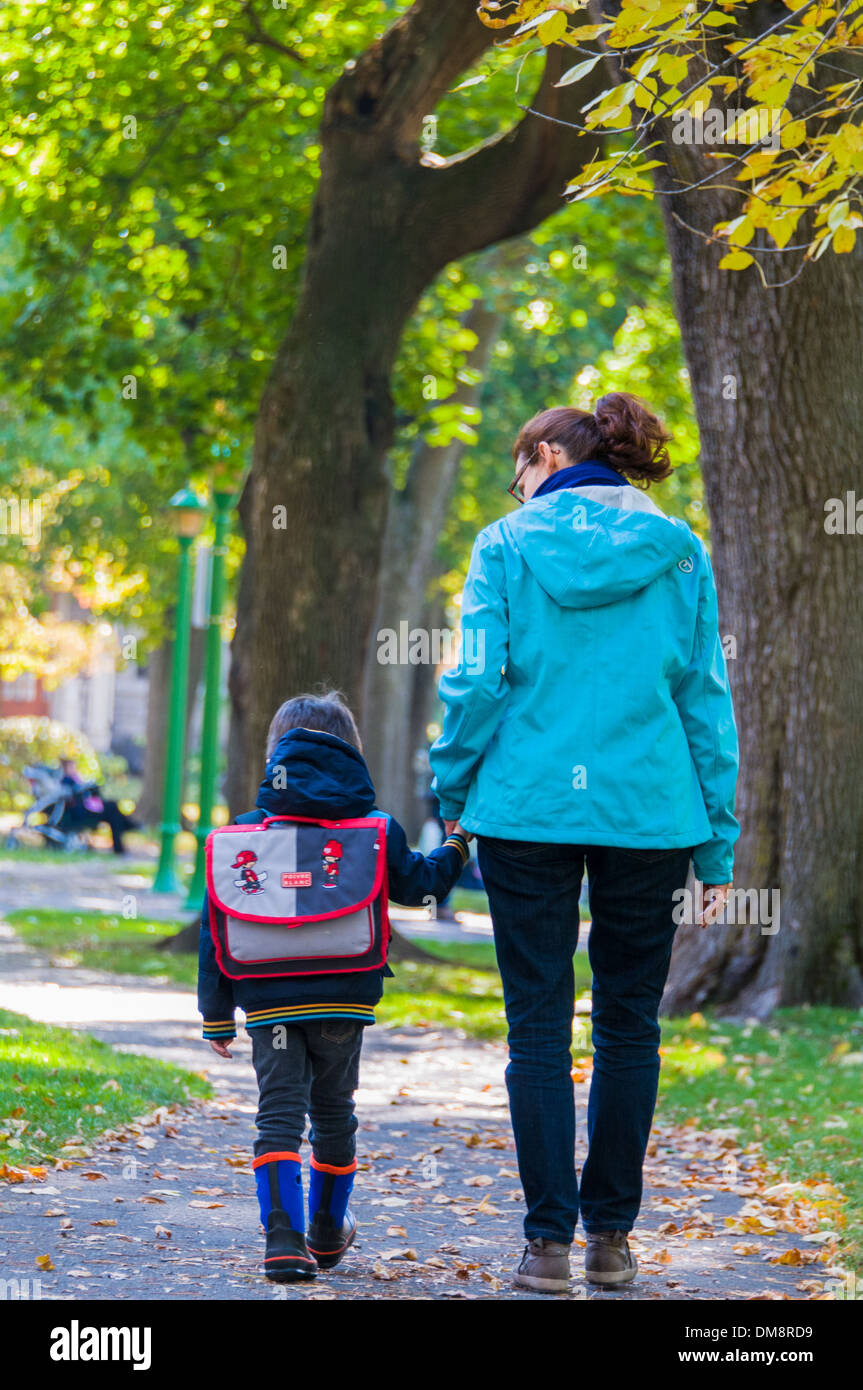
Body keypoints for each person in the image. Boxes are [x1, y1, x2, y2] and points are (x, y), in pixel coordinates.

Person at [429, 393, 739, 1293]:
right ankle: (610, 1239)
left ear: (547, 459)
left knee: (535, 1028)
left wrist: (453, 789)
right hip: (649, 812)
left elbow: (477, 680)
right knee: (628, 1026)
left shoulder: (504, 545)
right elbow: (702, 701)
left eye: (518, 470)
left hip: (527, 809)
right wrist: (715, 845)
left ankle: (545, 1248)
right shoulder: (679, 551)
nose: (515, 489)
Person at [197, 690, 471, 1282]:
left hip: (267, 1005)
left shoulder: (244, 835)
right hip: (342, 1001)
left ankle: (282, 1242)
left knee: (278, 1116)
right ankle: (326, 1231)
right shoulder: (375, 831)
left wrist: (217, 1014)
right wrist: (457, 842)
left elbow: (214, 926)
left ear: (276, 752)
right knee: (334, 1113)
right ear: (353, 751)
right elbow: (422, 888)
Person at [58, 757, 138, 854]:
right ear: (66, 768)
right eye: (71, 767)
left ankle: (126, 829)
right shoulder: (66, 781)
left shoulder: (75, 778)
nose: (74, 769)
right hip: (80, 813)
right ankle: (128, 827)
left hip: (86, 808)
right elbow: (74, 795)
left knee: (113, 810)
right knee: (113, 811)